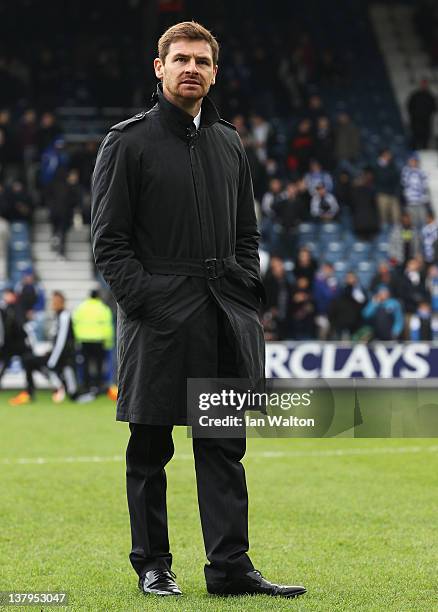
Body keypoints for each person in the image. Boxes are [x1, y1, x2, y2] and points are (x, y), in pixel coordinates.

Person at [91, 21, 306, 600]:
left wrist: (242, 292)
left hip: (221, 318)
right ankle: (154, 566)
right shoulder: (126, 142)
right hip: (159, 322)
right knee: (150, 448)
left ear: (214, 72)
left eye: (202, 61)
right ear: (158, 67)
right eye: (181, 58)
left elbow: (247, 234)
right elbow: (109, 243)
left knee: (222, 450)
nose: (192, 68)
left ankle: (230, 567)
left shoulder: (229, 141)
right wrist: (150, 302)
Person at [73, 289, 114, 393]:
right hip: (99, 341)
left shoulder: (81, 307)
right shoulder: (103, 308)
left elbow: (75, 323)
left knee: (85, 364)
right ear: (98, 296)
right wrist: (109, 343)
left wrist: (77, 339)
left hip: (84, 340)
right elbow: (108, 327)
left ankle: (86, 386)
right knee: (99, 365)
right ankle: (99, 386)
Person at [400, 153, 430, 228]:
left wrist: (425, 198)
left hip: (420, 202)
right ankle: (415, 238)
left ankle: (423, 238)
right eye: (411, 161)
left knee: (423, 221)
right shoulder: (405, 171)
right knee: (413, 223)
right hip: (410, 202)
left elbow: (425, 186)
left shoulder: (421, 172)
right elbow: (404, 184)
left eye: (415, 161)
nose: (413, 162)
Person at [407, 79, 437, 150]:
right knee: (414, 140)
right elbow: (409, 106)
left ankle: (424, 155)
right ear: (420, 84)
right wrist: (414, 115)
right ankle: (413, 154)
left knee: (425, 142)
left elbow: (434, 108)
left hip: (426, 122)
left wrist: (427, 114)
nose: (424, 85)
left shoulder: (430, 96)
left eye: (425, 83)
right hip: (415, 122)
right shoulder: (415, 95)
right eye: (423, 83)